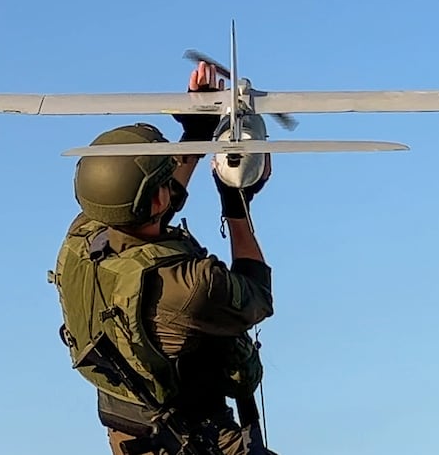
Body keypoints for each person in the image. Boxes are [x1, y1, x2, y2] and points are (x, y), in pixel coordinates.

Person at [50, 62, 276, 454]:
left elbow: (147, 204)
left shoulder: (84, 235)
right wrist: (237, 202)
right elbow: (256, 296)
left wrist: (195, 135)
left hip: (131, 434)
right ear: (156, 200)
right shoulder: (188, 287)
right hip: (196, 441)